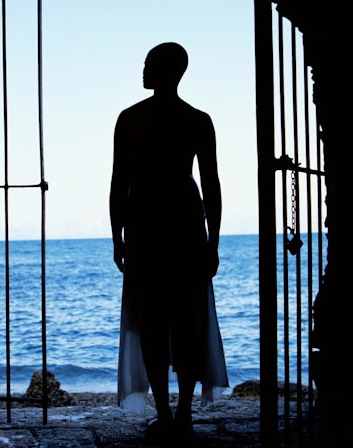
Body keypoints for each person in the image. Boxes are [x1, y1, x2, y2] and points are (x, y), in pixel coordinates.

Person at [110, 42, 229, 443]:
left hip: (146, 224)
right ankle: (182, 414)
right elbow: (210, 185)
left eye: (148, 63)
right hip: (185, 223)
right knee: (186, 321)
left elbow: (118, 184)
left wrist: (117, 236)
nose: (143, 68)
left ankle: (164, 411)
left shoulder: (130, 119)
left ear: (165, 70)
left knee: (153, 324)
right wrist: (213, 240)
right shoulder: (198, 120)